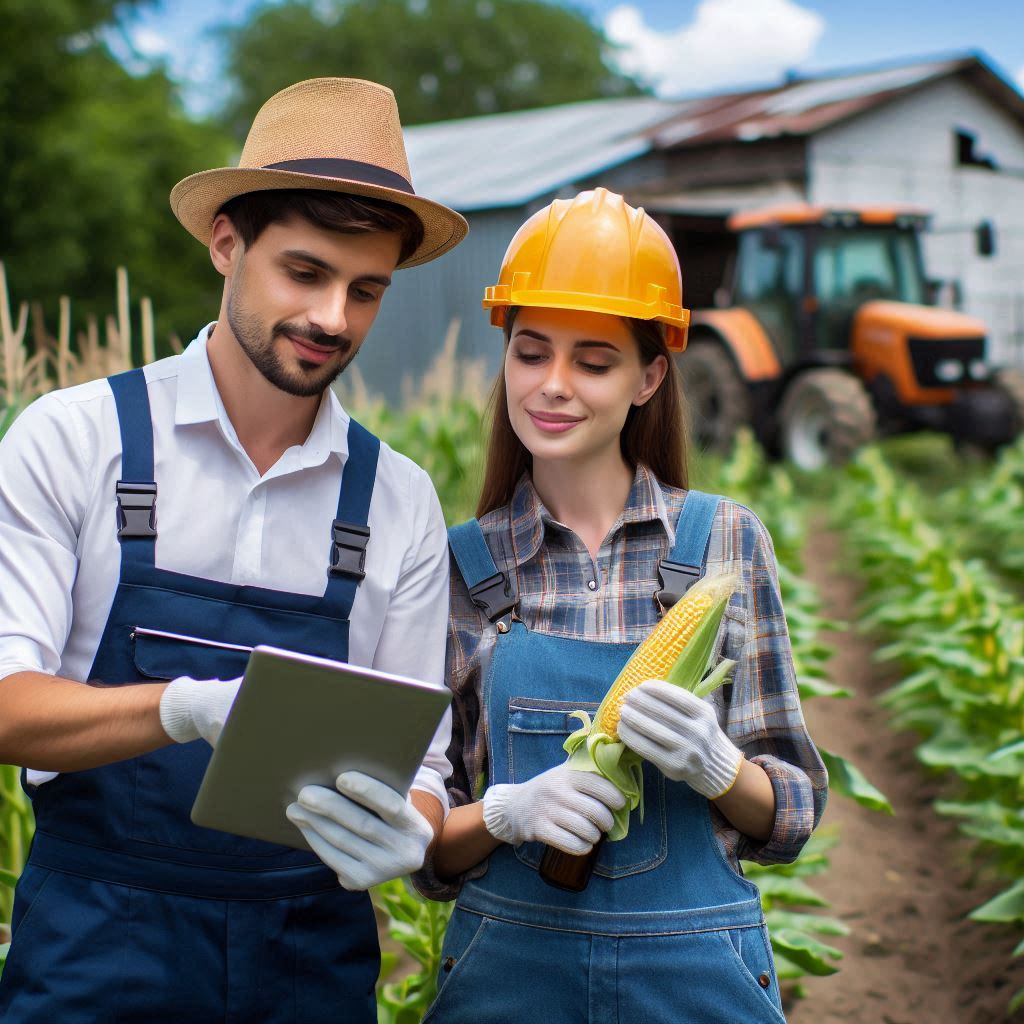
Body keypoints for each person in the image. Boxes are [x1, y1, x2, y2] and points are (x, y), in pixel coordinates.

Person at [0, 78, 467, 1023]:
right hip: (96, 945)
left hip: (308, 959)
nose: (334, 318)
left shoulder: (398, 500)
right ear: (226, 243)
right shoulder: (75, 439)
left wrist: (406, 838)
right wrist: (184, 707)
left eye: (365, 289)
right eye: (305, 272)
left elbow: (421, 771)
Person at [415, 188, 828, 1024]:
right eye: (531, 354)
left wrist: (719, 767)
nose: (553, 386)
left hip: (693, 976)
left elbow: (791, 817)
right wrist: (506, 811)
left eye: (593, 362)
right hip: (510, 978)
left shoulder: (725, 543)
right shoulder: (462, 566)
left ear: (649, 376)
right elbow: (425, 856)